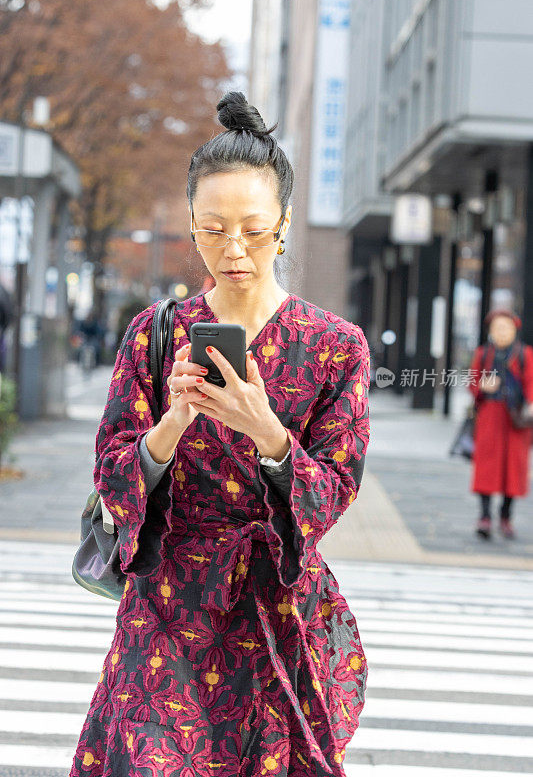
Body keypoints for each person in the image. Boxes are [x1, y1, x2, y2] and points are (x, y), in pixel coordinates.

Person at [69, 91, 370, 777]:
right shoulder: (155, 334)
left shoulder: (334, 348)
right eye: (213, 229)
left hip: (272, 614)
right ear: (192, 227)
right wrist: (171, 426)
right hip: (167, 608)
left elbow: (331, 494)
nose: (234, 249)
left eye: (254, 229)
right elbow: (112, 475)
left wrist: (267, 433)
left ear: (285, 224)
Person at [468, 308, 533, 540]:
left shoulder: (525, 354)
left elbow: (531, 385)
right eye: (497, 328)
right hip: (490, 417)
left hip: (516, 421)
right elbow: (472, 382)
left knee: (513, 469)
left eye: (505, 327)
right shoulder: (483, 353)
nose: (501, 332)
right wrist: (482, 387)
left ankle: (506, 516)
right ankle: (485, 516)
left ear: (514, 329)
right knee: (486, 467)